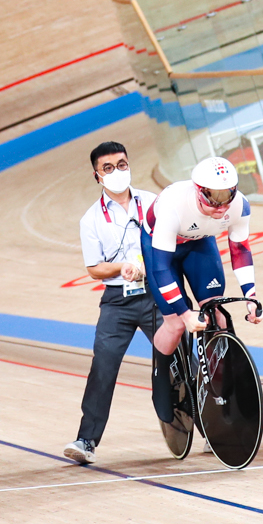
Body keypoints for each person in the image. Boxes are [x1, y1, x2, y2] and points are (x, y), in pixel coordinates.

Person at [63, 142, 167, 466]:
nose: (117, 172)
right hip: (117, 301)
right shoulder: (91, 219)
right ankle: (86, 440)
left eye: (122, 164)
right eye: (108, 168)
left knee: (180, 356)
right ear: (97, 176)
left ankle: (203, 425)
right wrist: (120, 268)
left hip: (155, 294)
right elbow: (94, 268)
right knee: (103, 365)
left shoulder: (151, 202)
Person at [146, 157, 263, 355]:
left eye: (227, 197)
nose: (222, 206)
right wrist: (185, 314)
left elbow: (240, 251)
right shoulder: (173, 205)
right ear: (198, 191)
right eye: (214, 199)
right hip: (160, 248)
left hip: (199, 241)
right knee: (176, 325)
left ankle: (219, 377)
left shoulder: (240, 205)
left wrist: (251, 298)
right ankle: (162, 380)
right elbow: (161, 268)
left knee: (216, 312)